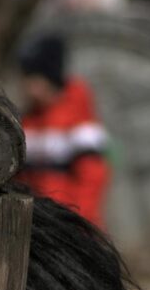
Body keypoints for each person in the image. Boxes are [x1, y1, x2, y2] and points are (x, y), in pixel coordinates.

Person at [17, 33, 110, 229]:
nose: (27, 87)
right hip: (37, 224)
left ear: (50, 78)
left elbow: (92, 180)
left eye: (33, 78)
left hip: (70, 228)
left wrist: (75, 226)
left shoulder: (79, 120)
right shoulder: (28, 120)